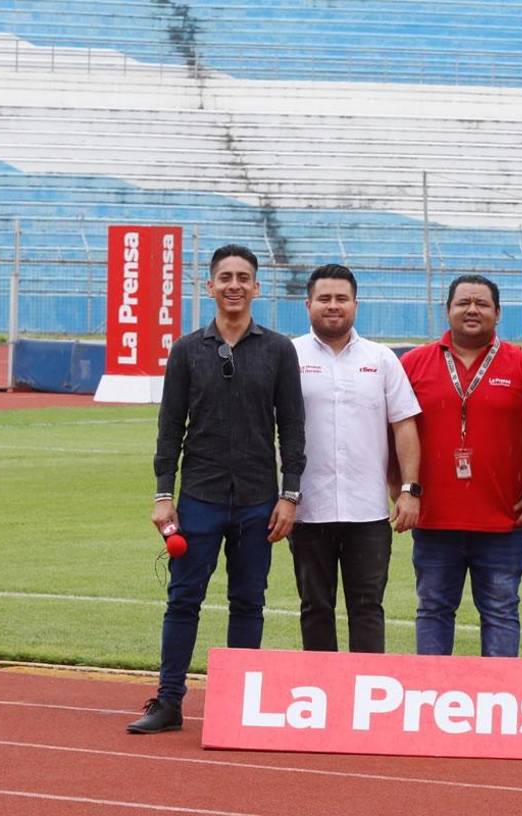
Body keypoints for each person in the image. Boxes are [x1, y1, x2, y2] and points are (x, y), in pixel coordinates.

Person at [129, 244, 306, 734]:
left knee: (248, 602)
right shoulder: (188, 350)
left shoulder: (278, 350)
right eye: (224, 277)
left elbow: (291, 428)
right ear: (209, 286)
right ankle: (168, 703)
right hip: (199, 498)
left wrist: (289, 496)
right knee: (183, 600)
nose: (234, 285)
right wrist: (164, 493)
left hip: (257, 501)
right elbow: (170, 428)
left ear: (256, 287)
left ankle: (236, 706)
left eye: (243, 277)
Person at [291, 264, 422, 653]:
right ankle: (320, 695)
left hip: (368, 513)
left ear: (355, 304)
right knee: (315, 607)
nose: (333, 306)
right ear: (308, 303)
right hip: (307, 509)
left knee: (367, 608)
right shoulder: (288, 355)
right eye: (325, 298)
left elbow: (404, 426)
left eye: (341, 299)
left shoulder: (381, 359)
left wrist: (409, 489)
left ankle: (365, 697)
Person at [400, 275, 522, 657]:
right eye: (463, 303)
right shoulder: (415, 363)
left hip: (503, 518)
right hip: (434, 517)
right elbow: (393, 431)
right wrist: (402, 488)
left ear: (497, 313)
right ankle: (433, 695)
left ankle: (500, 700)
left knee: (502, 611)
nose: (472, 310)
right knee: (434, 609)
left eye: (482, 303)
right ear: (448, 310)